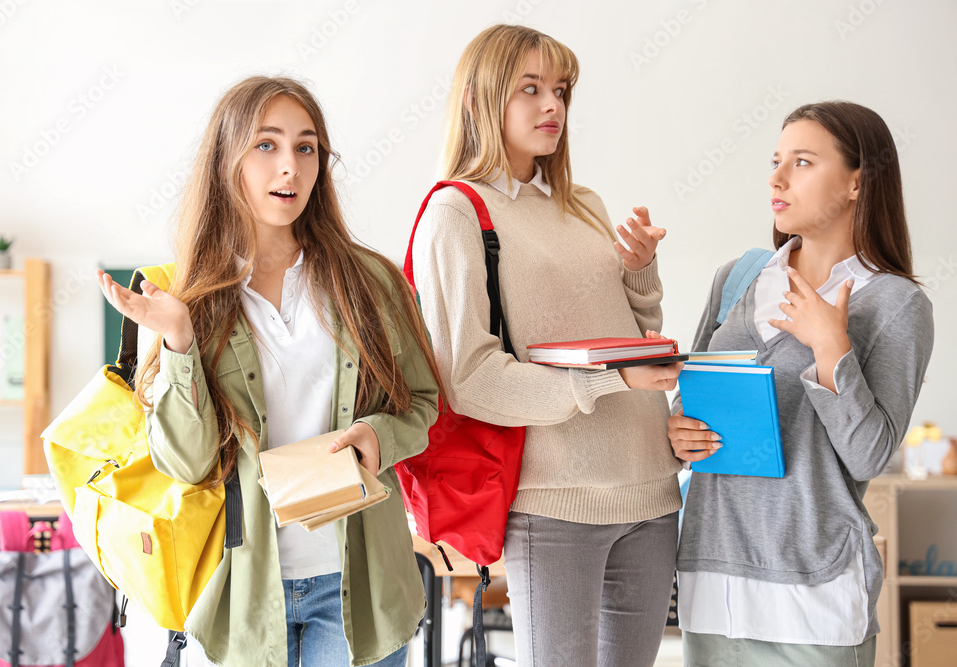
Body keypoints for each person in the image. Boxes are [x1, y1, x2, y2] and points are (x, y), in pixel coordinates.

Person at [97, 76, 443, 667]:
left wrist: (378, 438)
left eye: (306, 148)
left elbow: (423, 404)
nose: (290, 166)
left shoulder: (371, 282)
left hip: (358, 590)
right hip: (241, 599)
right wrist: (178, 338)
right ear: (227, 159)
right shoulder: (183, 300)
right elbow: (188, 461)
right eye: (267, 145)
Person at [411, 24, 684, 667]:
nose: (552, 106)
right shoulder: (456, 213)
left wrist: (640, 270)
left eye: (560, 90)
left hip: (652, 491)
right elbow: (469, 377)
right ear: (479, 100)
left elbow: (636, 329)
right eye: (529, 89)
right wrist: (608, 381)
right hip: (554, 502)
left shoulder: (584, 204)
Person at [669, 101, 934, 666]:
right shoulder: (737, 278)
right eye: (776, 160)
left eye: (804, 162)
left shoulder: (894, 304)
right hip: (712, 583)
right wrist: (677, 430)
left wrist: (830, 348)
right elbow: (687, 401)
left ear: (858, 183)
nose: (777, 177)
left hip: (814, 597)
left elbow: (869, 456)